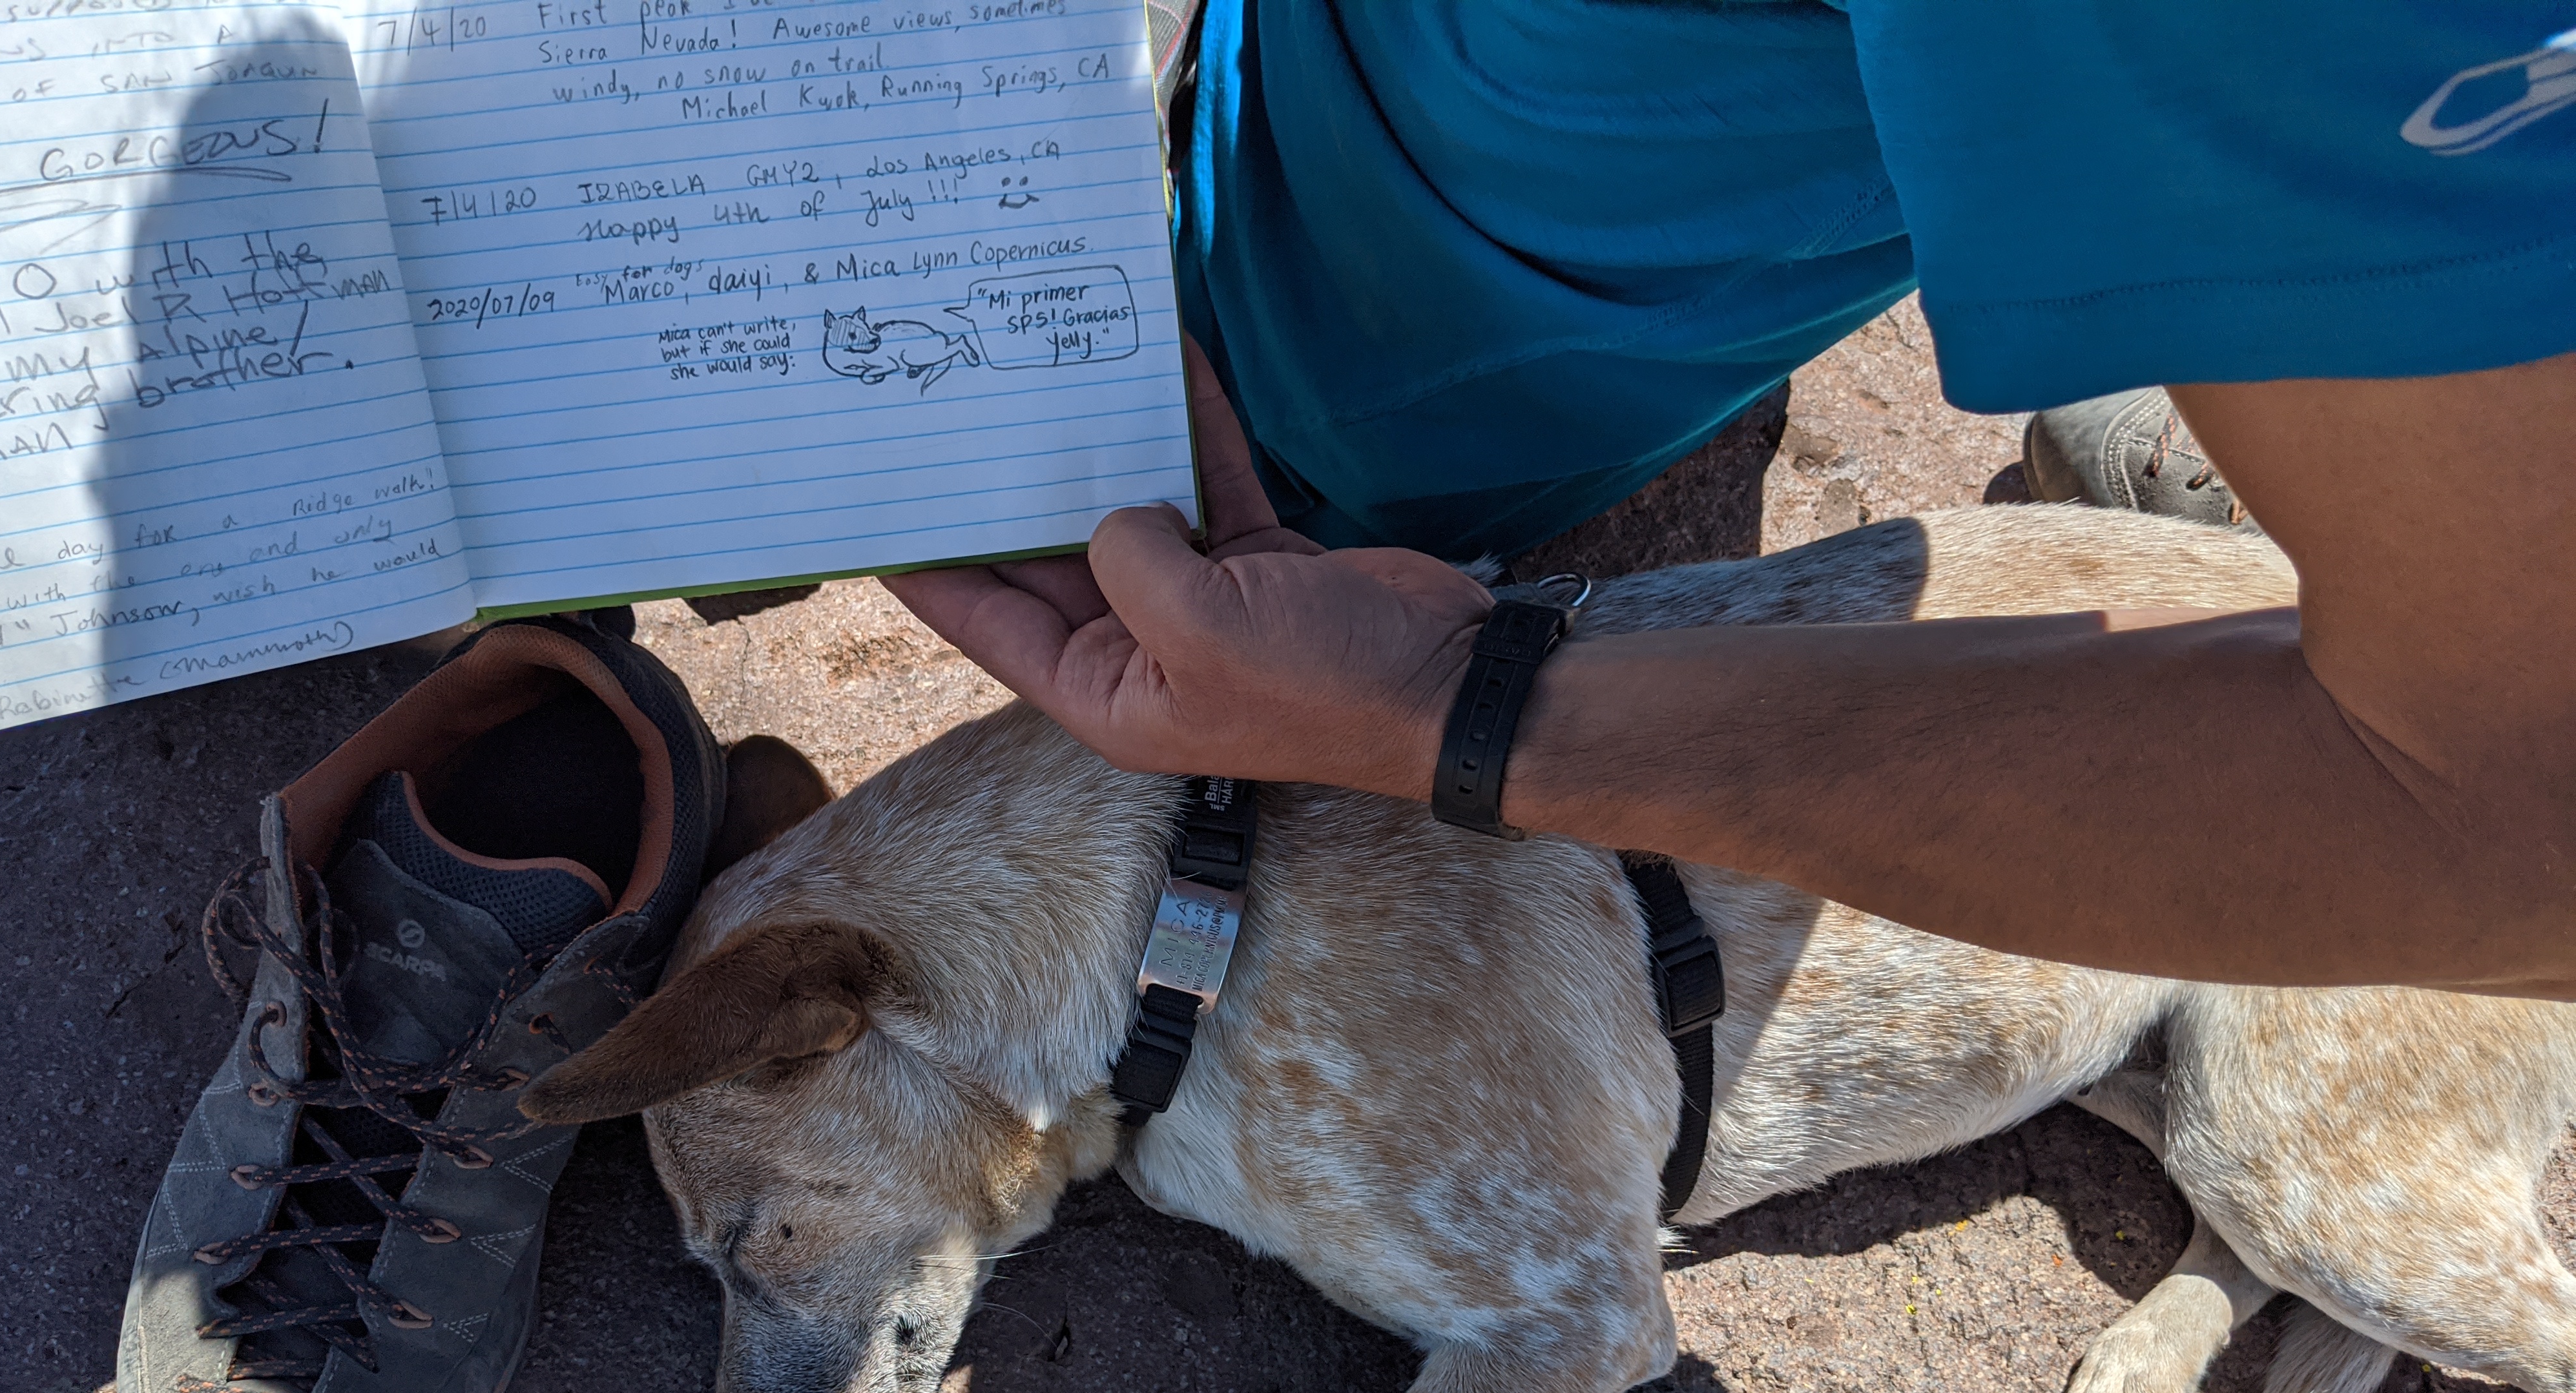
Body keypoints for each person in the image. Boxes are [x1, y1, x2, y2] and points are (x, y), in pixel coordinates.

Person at [887, 1, 2576, 999]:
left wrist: (1455, 705)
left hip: (1382, 352)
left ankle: (2289, 305)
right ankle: (2241, 280)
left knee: (1306, 443)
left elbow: (2525, 822)